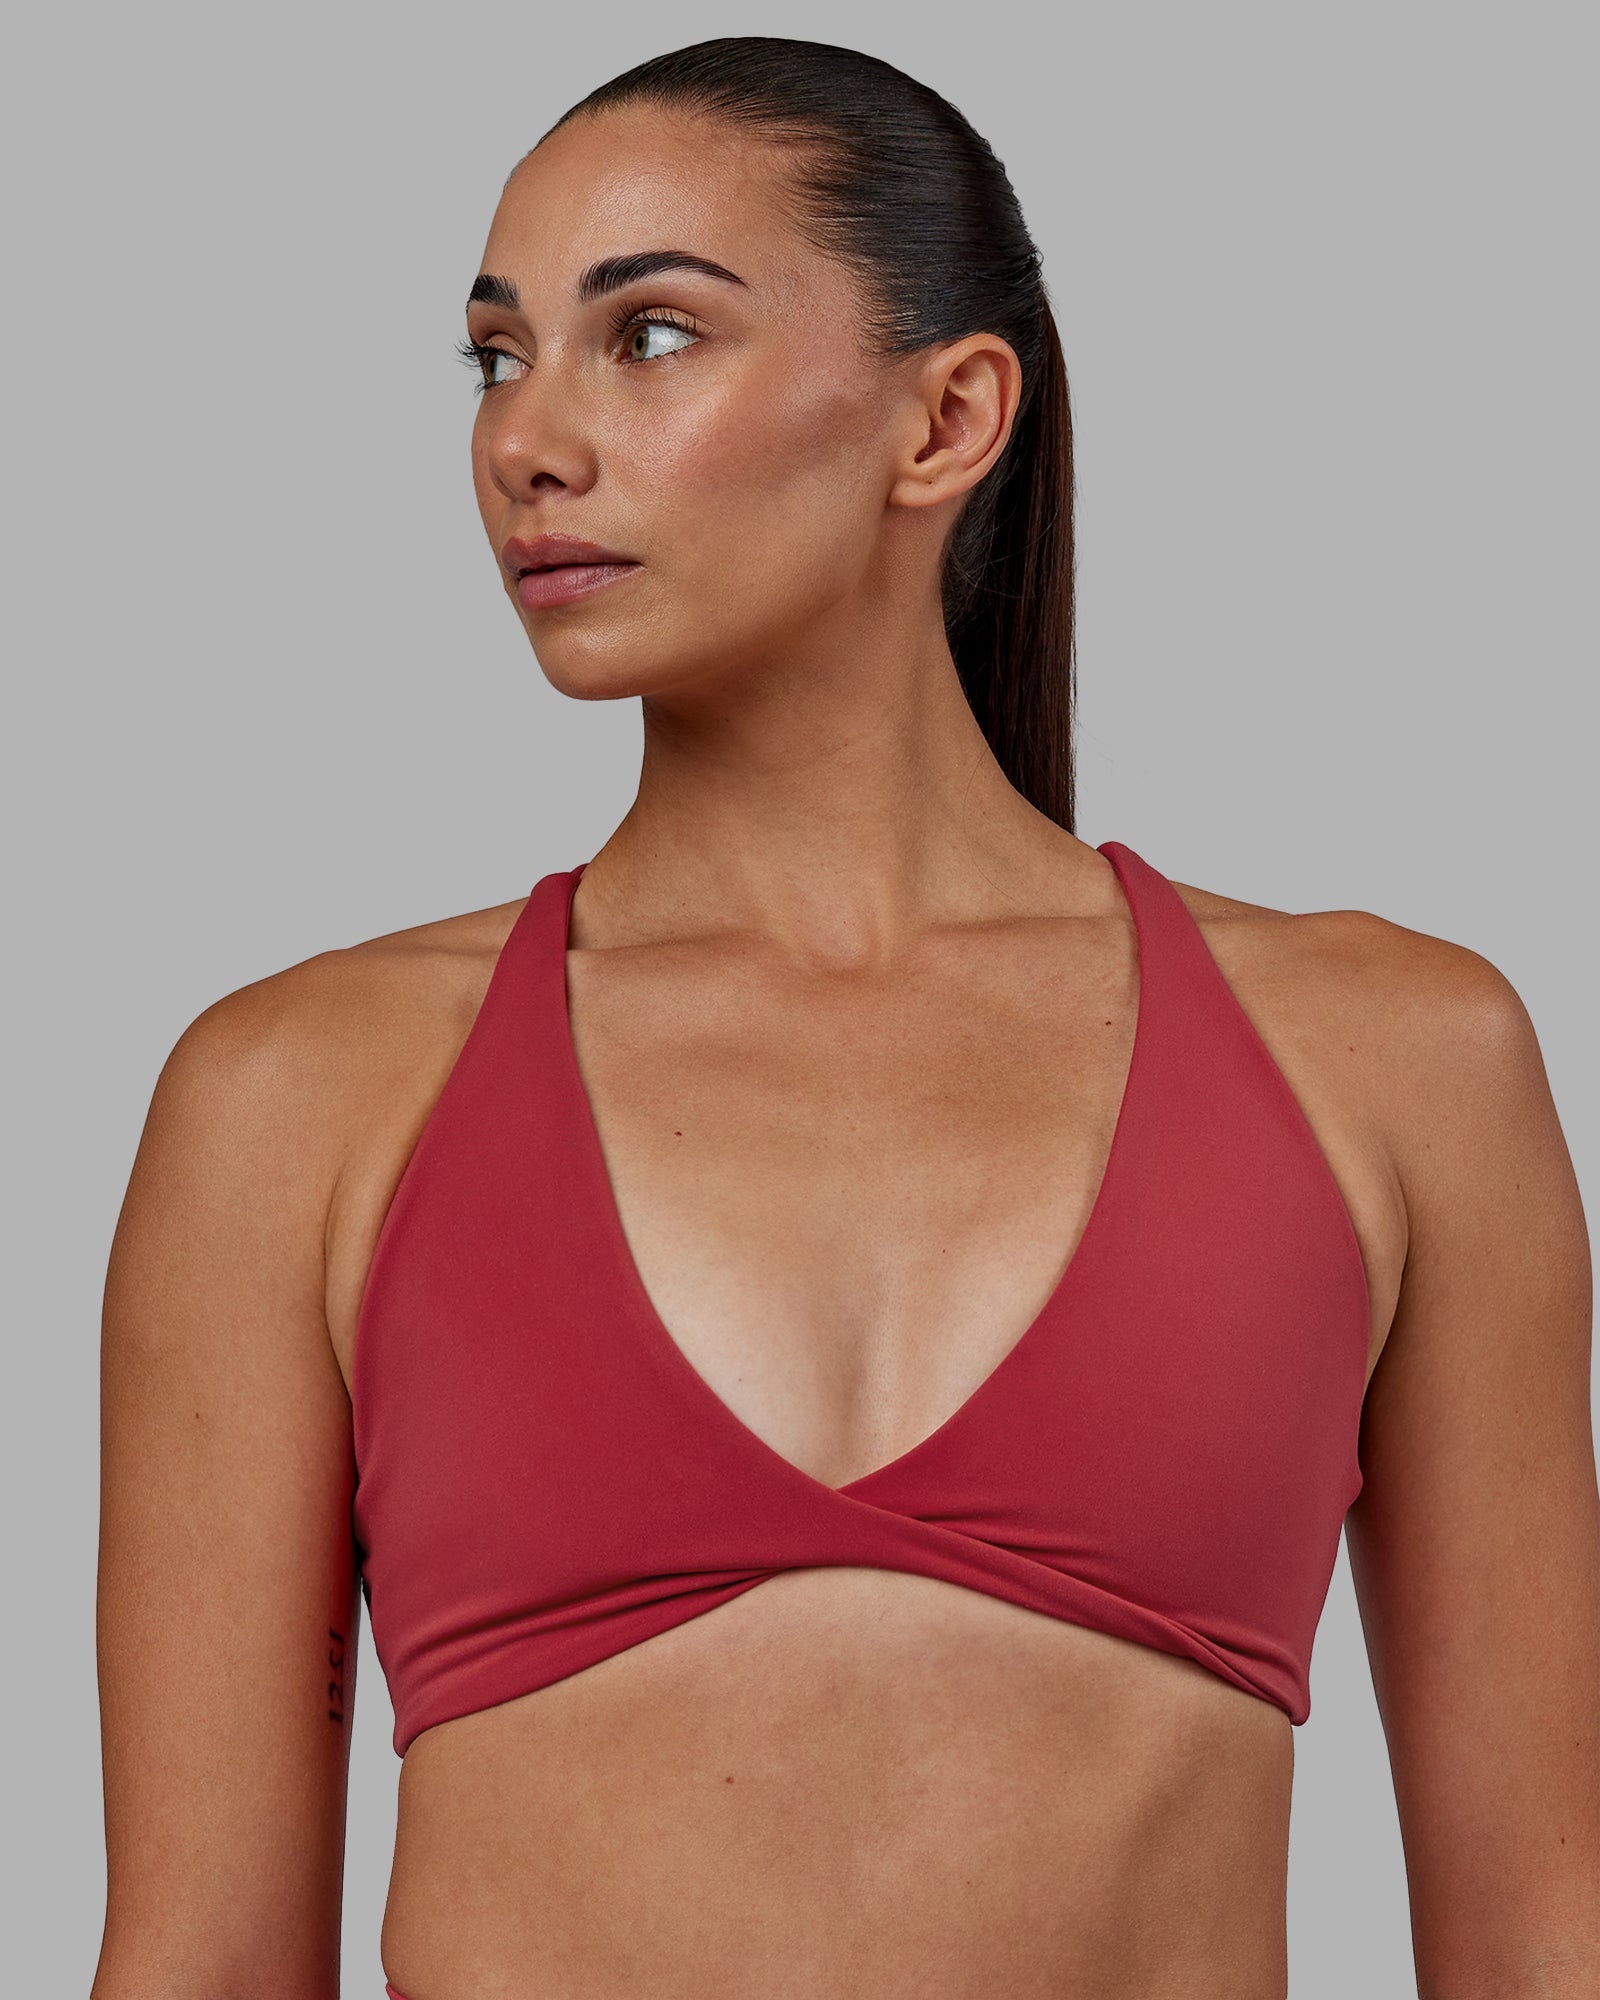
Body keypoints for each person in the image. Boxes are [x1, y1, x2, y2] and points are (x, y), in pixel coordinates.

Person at [92, 35, 1599, 2000]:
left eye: (646, 336)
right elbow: (202, 1963)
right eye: (495, 355)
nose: (525, 437)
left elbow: (1543, 1944)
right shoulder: (296, 1099)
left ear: (946, 417)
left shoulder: (1396, 1065)